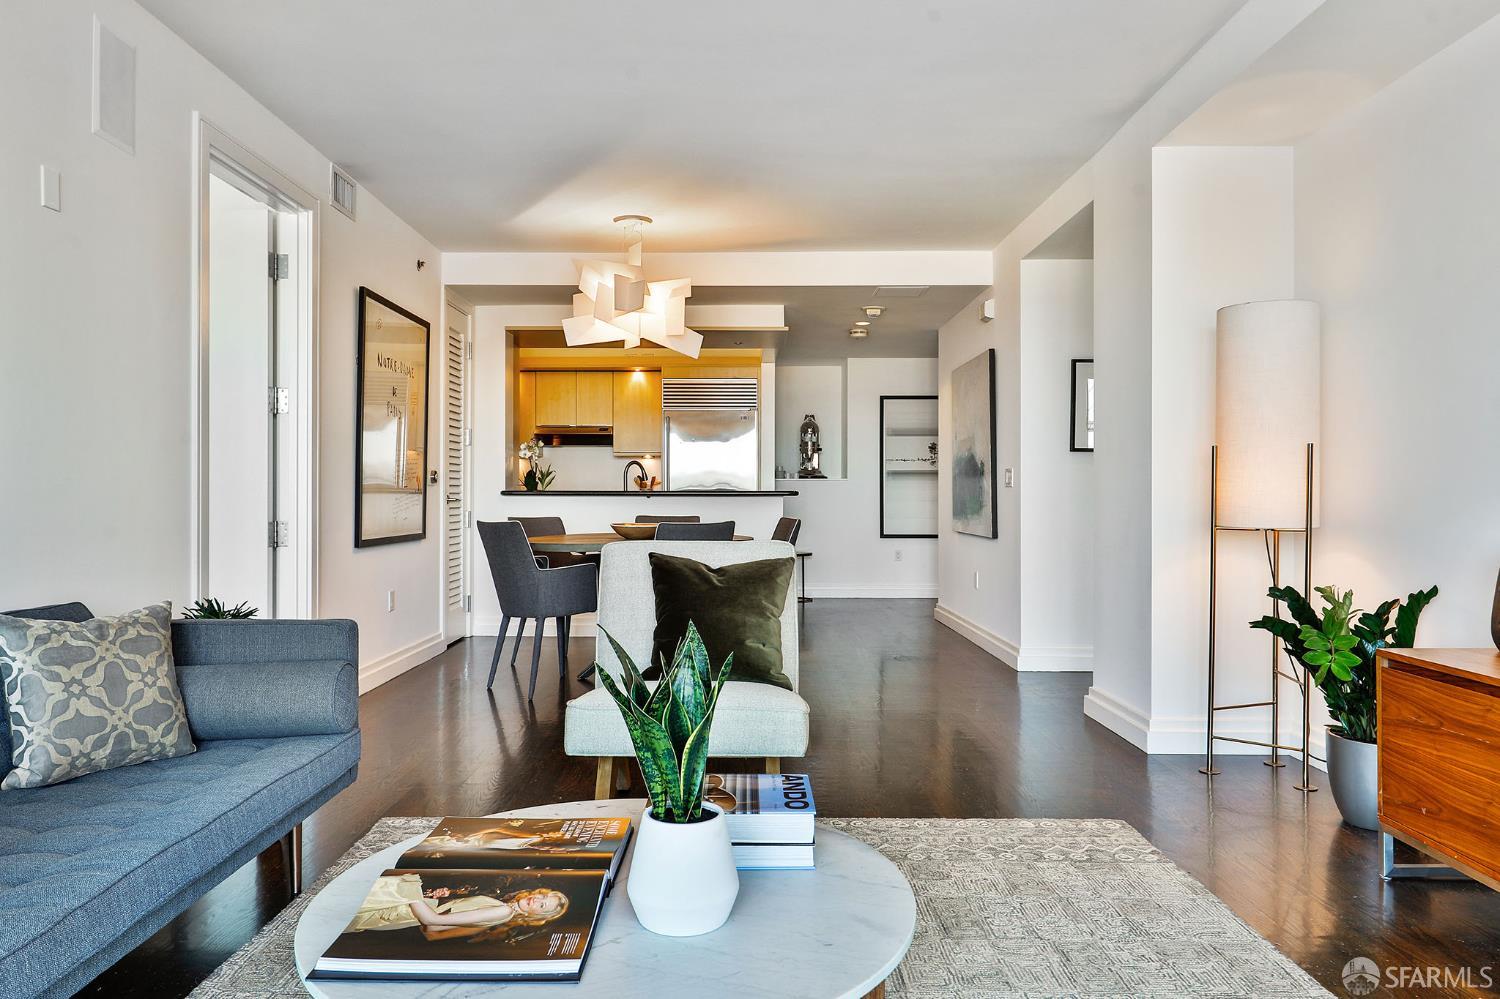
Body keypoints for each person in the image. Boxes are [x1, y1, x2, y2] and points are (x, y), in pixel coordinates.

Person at [347, 873, 568, 937]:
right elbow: (432, 928)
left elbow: (432, 920)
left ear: (537, 916)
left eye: (542, 906)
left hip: (398, 904)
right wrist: (443, 899)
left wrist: (411, 890)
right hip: (399, 915)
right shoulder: (504, 910)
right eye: (542, 896)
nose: (536, 900)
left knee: (344, 897)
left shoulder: (503, 910)